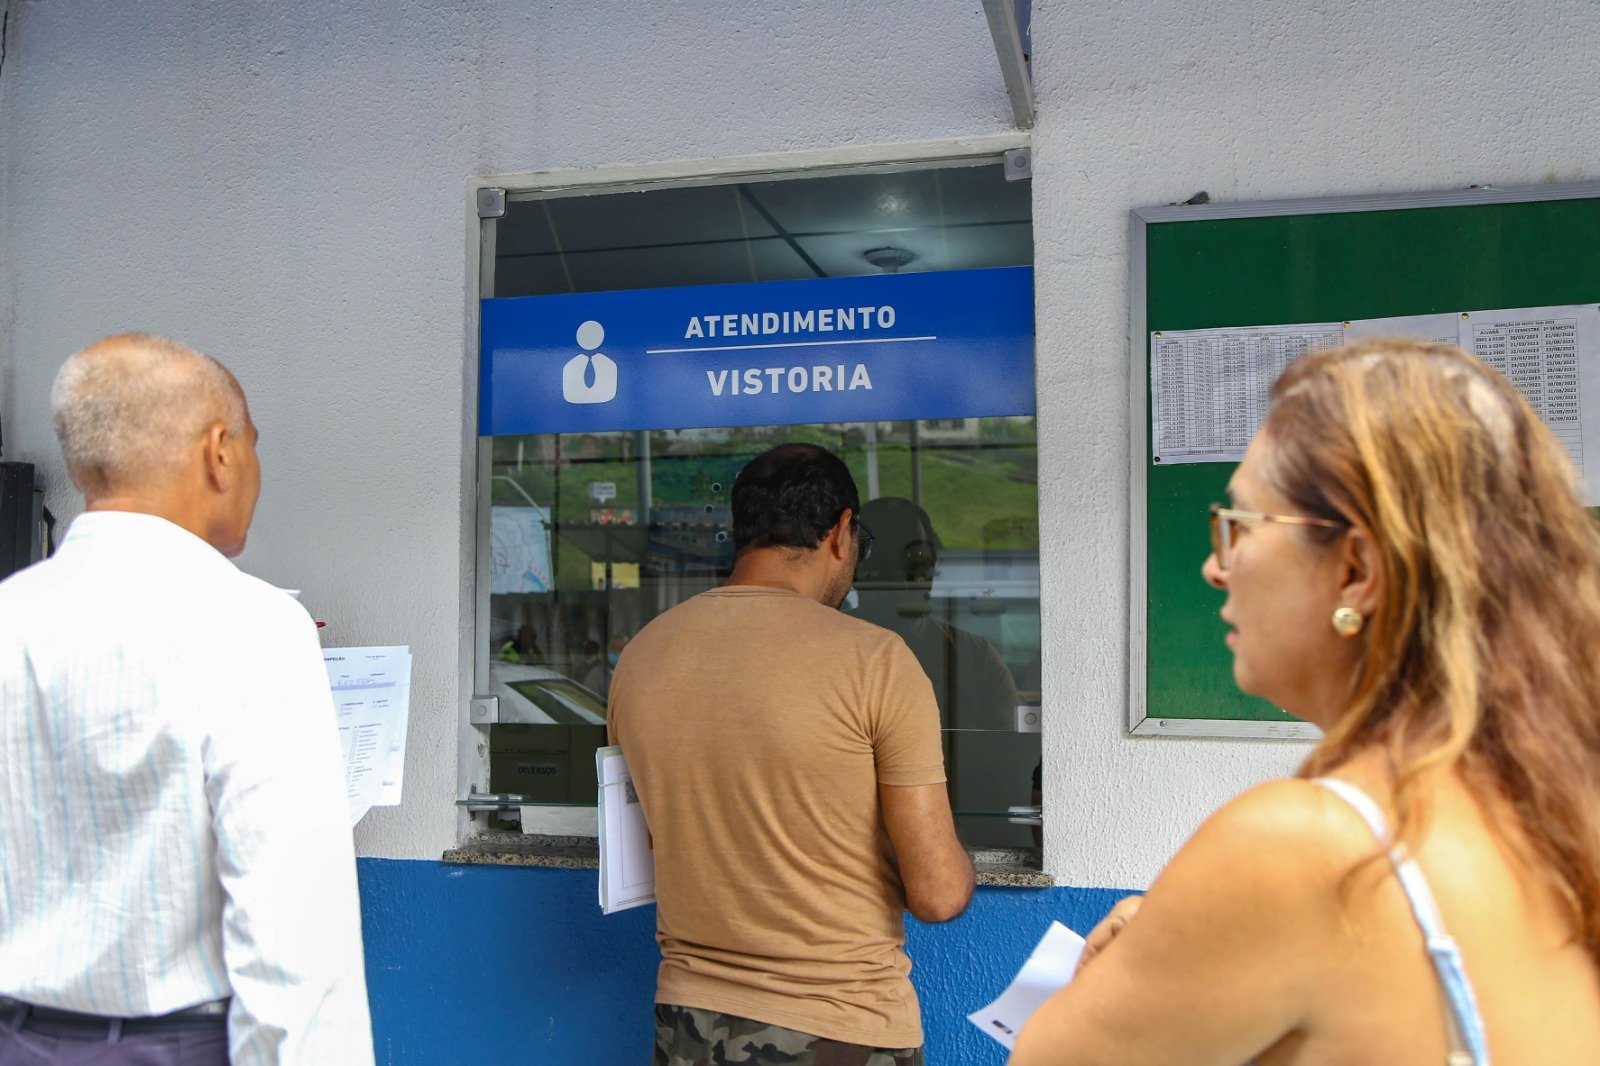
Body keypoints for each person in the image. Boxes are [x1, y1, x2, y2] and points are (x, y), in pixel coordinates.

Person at [1011, 339, 1600, 1064]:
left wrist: (1117, 974)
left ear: (1356, 570)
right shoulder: (1558, 811)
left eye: (1242, 525)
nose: (1213, 566)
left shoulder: (1302, 850)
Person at [0, 334, 375, 1065]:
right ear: (220, 452)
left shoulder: (9, 616)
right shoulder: (255, 627)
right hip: (175, 1045)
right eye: (254, 446)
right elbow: (294, 937)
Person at [609, 443, 974, 1066]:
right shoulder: (874, 661)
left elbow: (650, 838)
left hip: (687, 1026)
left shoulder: (642, 656)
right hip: (840, 1027)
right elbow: (937, 894)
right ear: (840, 532)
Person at [583, 633, 627, 699]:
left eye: (620, 649)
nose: (617, 652)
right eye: (613, 648)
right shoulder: (595, 675)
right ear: (607, 650)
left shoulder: (634, 674)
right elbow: (588, 701)